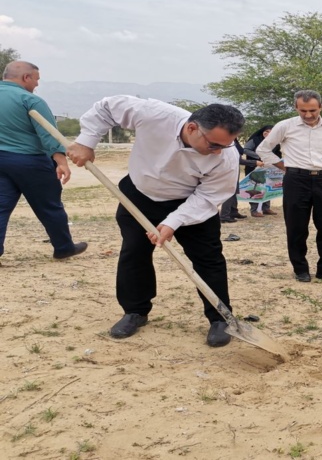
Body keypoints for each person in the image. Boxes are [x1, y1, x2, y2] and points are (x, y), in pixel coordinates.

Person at [66, 96, 245, 347]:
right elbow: (106, 107)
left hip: (190, 202)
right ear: (192, 128)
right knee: (134, 253)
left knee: (209, 259)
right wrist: (86, 141)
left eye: (225, 146)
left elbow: (209, 196)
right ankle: (135, 312)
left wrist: (173, 222)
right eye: (214, 144)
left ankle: (220, 318)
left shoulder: (226, 156)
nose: (218, 151)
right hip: (139, 195)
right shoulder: (155, 114)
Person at [256, 90, 322, 284]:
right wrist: (282, 165)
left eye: (312, 110)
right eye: (303, 110)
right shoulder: (284, 126)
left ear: (321, 107)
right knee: (296, 226)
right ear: (296, 108)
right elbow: (262, 149)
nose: (308, 115)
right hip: (296, 179)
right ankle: (301, 269)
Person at [0, 61, 87, 263]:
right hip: (30, 161)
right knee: (49, 205)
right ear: (26, 78)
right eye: (36, 80)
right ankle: (64, 247)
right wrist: (61, 162)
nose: (37, 85)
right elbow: (49, 134)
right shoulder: (30, 99)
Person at [243, 125, 279, 218]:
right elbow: (246, 150)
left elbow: (277, 154)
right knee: (254, 186)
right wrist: (260, 156)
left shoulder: (275, 142)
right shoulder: (255, 140)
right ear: (262, 131)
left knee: (267, 186)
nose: (268, 133)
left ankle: (266, 208)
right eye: (266, 131)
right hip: (254, 167)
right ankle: (254, 210)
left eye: (271, 132)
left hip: (269, 168)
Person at [219, 138, 251, 222]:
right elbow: (239, 159)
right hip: (227, 170)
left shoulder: (234, 141)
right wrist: (255, 162)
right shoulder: (226, 142)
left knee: (234, 191)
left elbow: (240, 153)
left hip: (234, 169)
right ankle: (224, 215)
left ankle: (233, 211)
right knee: (229, 192)